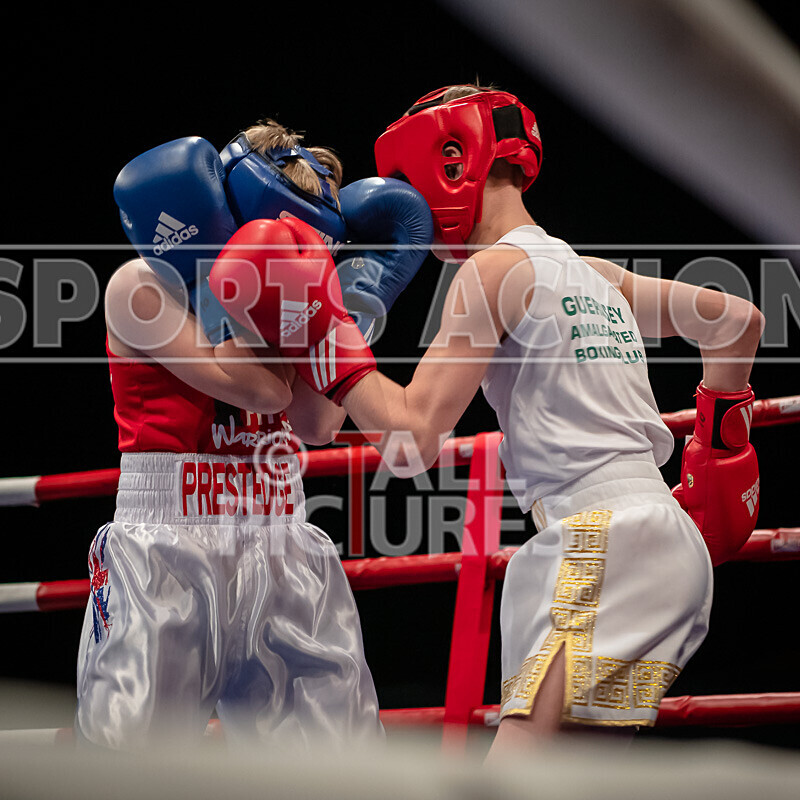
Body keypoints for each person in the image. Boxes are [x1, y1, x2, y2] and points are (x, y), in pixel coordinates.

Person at [208, 85, 763, 758]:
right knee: (573, 774)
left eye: (410, 182)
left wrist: (325, 329)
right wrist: (719, 445)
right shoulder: (591, 274)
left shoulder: (488, 274)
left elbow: (411, 439)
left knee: (512, 774)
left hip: (601, 542)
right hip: (667, 543)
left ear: (452, 160)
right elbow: (734, 320)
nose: (408, 205)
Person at [74, 117, 432, 751]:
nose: (300, 251)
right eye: (286, 234)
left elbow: (318, 424)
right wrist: (273, 298)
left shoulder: (291, 293)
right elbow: (260, 389)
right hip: (168, 545)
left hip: (282, 538)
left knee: (339, 766)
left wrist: (345, 307)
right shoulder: (140, 287)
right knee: (132, 769)